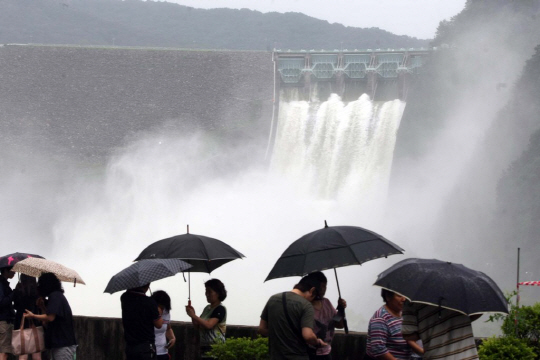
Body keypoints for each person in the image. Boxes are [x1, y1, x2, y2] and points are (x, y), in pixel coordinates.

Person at [258, 275, 327, 360]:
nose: (312, 300)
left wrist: (281, 335)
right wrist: (317, 342)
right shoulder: (306, 305)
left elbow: (262, 329)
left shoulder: (273, 299)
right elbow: (308, 336)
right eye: (314, 297)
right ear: (312, 290)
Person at [24, 273, 77, 360]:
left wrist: (33, 315)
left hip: (63, 344)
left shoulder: (55, 296)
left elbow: (50, 317)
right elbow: (47, 321)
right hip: (58, 344)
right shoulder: (56, 296)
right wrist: (42, 307)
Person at [402, 302, 480, 360]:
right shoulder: (459, 293)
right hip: (468, 356)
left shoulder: (413, 300)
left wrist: (429, 329)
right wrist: (460, 320)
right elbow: (479, 311)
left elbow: (408, 335)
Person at [304, 272, 346, 360]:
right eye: (322, 286)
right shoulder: (305, 306)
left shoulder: (326, 303)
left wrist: (341, 310)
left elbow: (339, 325)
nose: (324, 289)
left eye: (325, 286)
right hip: (310, 353)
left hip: (327, 351)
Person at [366, 289, 416, 360]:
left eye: (405, 295)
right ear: (388, 297)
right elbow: (378, 348)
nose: (404, 299)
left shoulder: (403, 315)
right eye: (399, 295)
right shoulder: (381, 318)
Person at [185, 279, 227, 359]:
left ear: (218, 293)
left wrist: (194, 316)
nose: (207, 294)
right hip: (204, 348)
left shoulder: (220, 309)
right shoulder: (207, 308)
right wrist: (192, 315)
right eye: (206, 291)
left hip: (216, 349)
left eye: (209, 292)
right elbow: (198, 326)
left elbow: (209, 325)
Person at [120, 283, 163, 360]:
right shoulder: (149, 302)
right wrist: (158, 312)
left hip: (130, 347)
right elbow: (159, 324)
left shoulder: (124, 298)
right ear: (147, 285)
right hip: (145, 348)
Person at [14, 275, 42, 360]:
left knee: (23, 353)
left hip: (20, 321)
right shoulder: (37, 290)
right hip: (35, 320)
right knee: (36, 353)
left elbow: (15, 305)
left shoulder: (18, 288)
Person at [150, 291, 175, 360]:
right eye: (161, 307)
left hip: (163, 351)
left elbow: (168, 328)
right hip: (151, 351)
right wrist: (157, 314)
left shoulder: (166, 312)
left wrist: (172, 338)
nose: (163, 310)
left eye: (164, 308)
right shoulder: (148, 312)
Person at [0, 266, 15, 360]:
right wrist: (13, 293)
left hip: (4, 321)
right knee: (4, 352)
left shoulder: (4, 283)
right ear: (5, 270)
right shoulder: (1, 284)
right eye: (12, 270)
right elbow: (1, 302)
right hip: (3, 321)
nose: (14, 272)